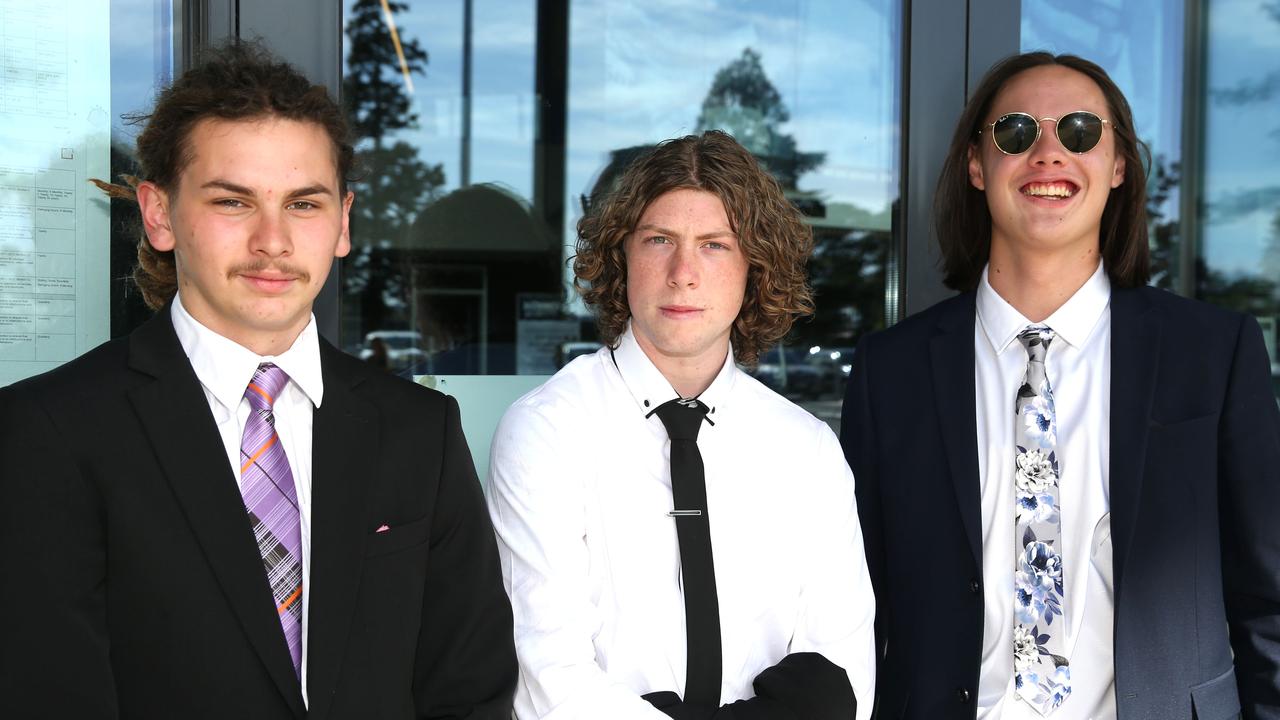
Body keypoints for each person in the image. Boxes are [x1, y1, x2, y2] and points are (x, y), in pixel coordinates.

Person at [0, 43, 516, 719]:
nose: (272, 241)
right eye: (233, 202)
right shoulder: (51, 431)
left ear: (343, 223)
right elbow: (50, 696)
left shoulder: (420, 430)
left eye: (304, 205)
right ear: (159, 214)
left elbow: (468, 688)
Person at [840, 51, 1280, 720]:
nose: (1049, 152)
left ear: (1119, 166)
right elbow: (856, 607)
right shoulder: (888, 372)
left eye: (1079, 131)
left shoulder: (1213, 353)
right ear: (977, 165)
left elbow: (1268, 598)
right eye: (1017, 132)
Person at [486, 130, 875, 720]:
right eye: (659, 239)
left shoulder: (808, 450)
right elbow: (551, 683)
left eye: (715, 245)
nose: (683, 272)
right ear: (622, 255)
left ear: (755, 266)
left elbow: (842, 683)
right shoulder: (547, 431)